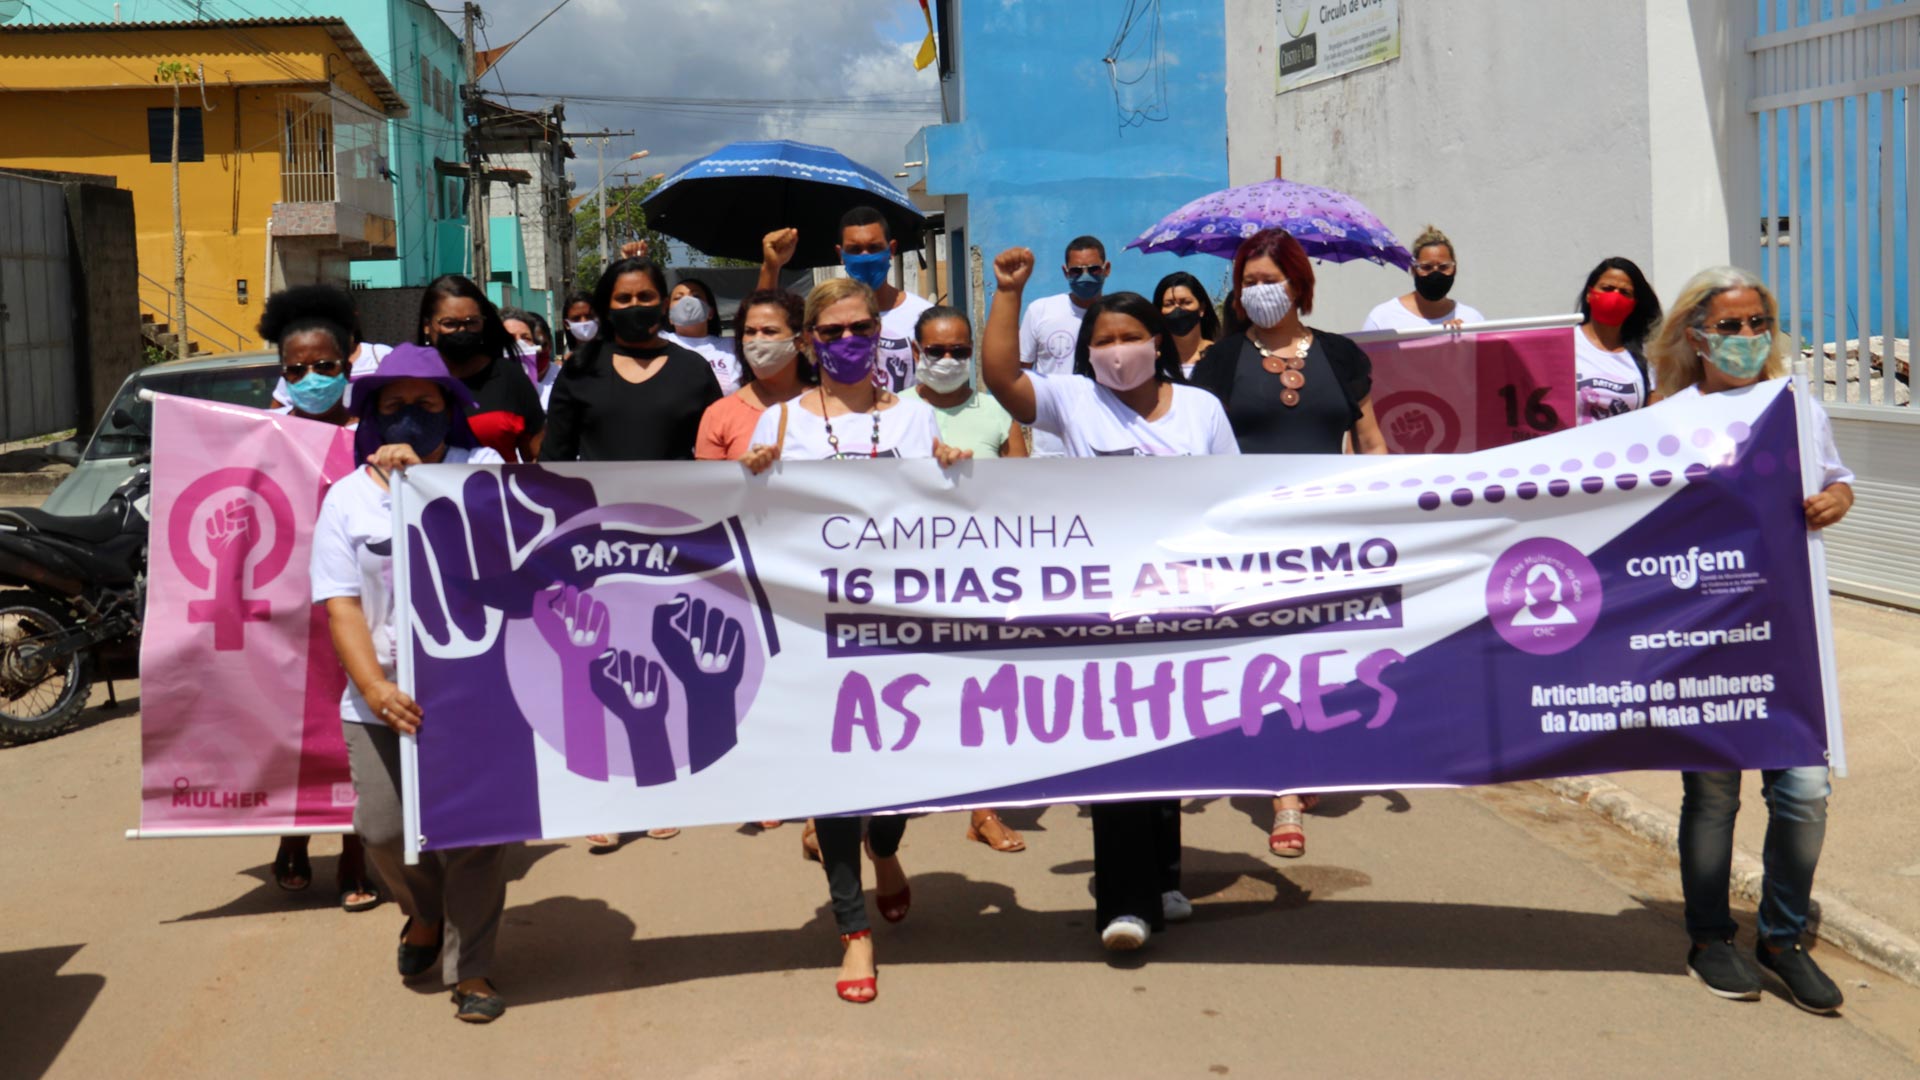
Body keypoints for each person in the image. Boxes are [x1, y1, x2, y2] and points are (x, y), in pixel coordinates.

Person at [981, 247, 1235, 952]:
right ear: (1086, 353)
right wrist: (1009, 293)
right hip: (1105, 606)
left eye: (1129, 337)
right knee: (1122, 743)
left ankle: (1163, 875)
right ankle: (1124, 905)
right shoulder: (1074, 401)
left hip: (1184, 601)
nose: (1118, 351)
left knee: (1172, 740)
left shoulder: (1202, 410)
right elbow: (1001, 377)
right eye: (1103, 341)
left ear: (1158, 340)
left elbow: (1236, 503)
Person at [739, 277, 971, 1002]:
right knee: (834, 781)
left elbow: (939, 519)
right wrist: (746, 481)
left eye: (859, 329)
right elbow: (743, 529)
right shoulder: (777, 427)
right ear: (809, 341)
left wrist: (956, 474)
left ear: (880, 334)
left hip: (900, 629)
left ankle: (887, 847)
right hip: (813, 634)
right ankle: (854, 933)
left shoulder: (911, 423)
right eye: (832, 331)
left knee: (903, 777)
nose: (846, 342)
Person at [1647, 266, 1854, 1015]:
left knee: (1802, 791)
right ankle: (1709, 938)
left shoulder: (1794, 407)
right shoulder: (1663, 418)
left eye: (1755, 323)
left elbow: (1838, 478)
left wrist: (1834, 498)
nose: (1743, 338)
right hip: (1701, 640)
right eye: (1727, 325)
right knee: (1712, 795)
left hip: (1783, 634)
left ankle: (1781, 938)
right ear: (1694, 333)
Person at [309, 344, 511, 1023]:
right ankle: (422, 914)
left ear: (451, 411)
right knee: (384, 833)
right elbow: (340, 603)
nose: (409, 420)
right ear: (369, 417)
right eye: (392, 407)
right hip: (382, 697)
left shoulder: (481, 471)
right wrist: (372, 688)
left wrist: (426, 485)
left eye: (426, 406)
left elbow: (504, 563)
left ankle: (473, 970)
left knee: (477, 838)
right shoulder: (344, 498)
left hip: (477, 692)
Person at [1190, 227, 1387, 860]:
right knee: (1272, 657)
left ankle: (1304, 756)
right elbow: (1198, 452)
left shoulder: (1342, 355)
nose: (1258, 291)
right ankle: (1285, 794)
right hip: (1250, 538)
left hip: (1330, 536)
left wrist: (1386, 507)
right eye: (1248, 282)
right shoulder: (1219, 360)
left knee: (1322, 658)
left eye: (1270, 279)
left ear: (1299, 285)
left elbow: (1372, 442)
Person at [257, 283, 380, 913]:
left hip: (359, 608)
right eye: (296, 369)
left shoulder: (374, 437)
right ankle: (292, 837)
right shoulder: (267, 437)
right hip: (287, 610)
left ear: (350, 360)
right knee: (293, 724)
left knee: (353, 724)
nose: (311, 377)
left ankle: (356, 854)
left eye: (324, 366)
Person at [907, 304, 1031, 853]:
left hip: (982, 578)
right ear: (916, 353)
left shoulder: (996, 415)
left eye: (960, 350)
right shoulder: (893, 414)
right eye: (937, 351)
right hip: (908, 580)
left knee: (981, 694)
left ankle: (982, 808)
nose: (949, 360)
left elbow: (1024, 493)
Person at [542, 256, 721, 465]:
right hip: (597, 497)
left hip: (675, 497)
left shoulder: (693, 369)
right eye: (624, 299)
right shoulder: (581, 368)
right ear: (607, 309)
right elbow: (555, 456)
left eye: (645, 297)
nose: (635, 305)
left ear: (664, 306)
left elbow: (718, 448)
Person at [756, 206, 934, 395]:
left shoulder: (923, 316)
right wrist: (771, 268)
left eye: (873, 248)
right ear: (840, 254)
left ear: (891, 249)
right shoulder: (822, 317)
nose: (865, 257)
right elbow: (761, 329)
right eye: (855, 249)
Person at [414, 275, 544, 462]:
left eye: (471, 322)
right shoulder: (412, 381)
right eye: (450, 324)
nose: (461, 331)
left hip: (500, 490)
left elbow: (538, 458)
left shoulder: (509, 377)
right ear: (427, 326)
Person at [694, 289, 813, 463]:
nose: (757, 340)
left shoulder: (828, 407)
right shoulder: (719, 414)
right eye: (749, 331)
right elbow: (707, 486)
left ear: (800, 341)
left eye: (769, 331)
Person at [1018, 236, 1111, 457]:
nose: (1085, 277)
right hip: (1051, 448)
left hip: (1105, 442)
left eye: (1094, 269)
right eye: (1076, 271)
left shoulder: (1118, 315)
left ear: (1107, 269)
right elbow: (1021, 374)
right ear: (1065, 272)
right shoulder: (1040, 311)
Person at [266, 285, 390, 410]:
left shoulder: (381, 357)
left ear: (346, 370)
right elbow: (275, 415)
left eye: (325, 366)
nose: (313, 378)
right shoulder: (297, 369)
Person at [1573, 256, 1663, 423]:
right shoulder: (1567, 344)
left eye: (1625, 292)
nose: (1615, 297)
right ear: (1589, 294)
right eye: (1607, 288)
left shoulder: (1646, 356)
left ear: (1634, 304)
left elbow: (1655, 417)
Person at [1359, 225, 1487, 331]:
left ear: (1455, 268)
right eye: (1426, 267)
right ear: (1414, 270)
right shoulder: (1383, 318)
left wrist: (1465, 338)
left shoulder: (1472, 320)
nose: (1435, 274)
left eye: (1443, 267)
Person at [663, 277, 742, 395]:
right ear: (669, 316)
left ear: (710, 312)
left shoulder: (731, 346)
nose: (687, 301)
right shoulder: (659, 341)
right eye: (678, 298)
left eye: (696, 296)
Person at [1152, 272, 1221, 379]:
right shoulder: (1153, 363)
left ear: (1201, 308)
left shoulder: (1222, 356)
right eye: (1169, 304)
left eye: (1186, 302)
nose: (1177, 309)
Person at [500, 308, 559, 410]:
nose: (519, 344)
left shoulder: (551, 399)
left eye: (526, 338)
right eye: (510, 338)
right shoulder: (486, 395)